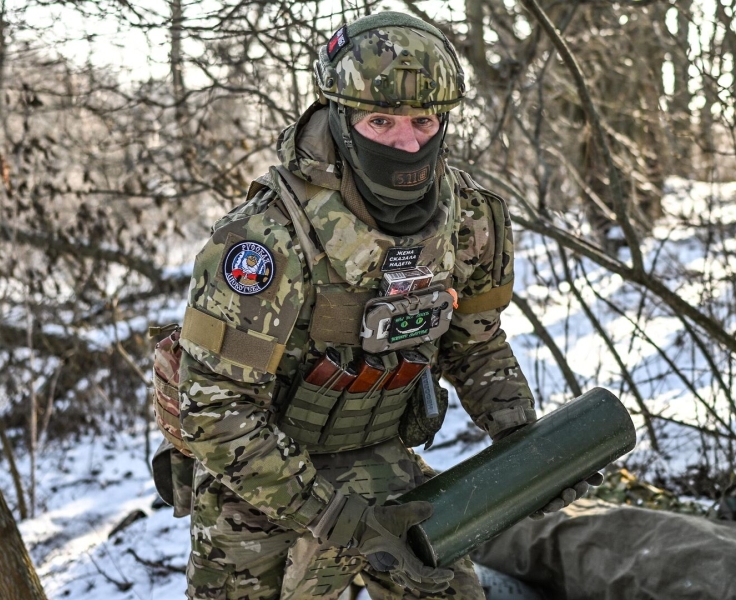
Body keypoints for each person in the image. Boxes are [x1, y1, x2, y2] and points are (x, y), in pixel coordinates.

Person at [170, 12, 597, 600]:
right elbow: (218, 415)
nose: (408, 142)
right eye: (381, 121)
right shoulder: (265, 242)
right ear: (341, 120)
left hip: (381, 464)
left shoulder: (468, 217)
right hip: (260, 487)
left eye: (424, 120)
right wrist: (339, 522)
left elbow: (474, 344)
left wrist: (526, 447)